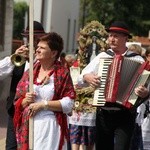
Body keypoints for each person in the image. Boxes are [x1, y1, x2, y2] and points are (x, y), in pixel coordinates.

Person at [78, 21, 149, 150]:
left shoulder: (138, 60)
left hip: (125, 114)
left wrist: (145, 92)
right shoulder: (103, 56)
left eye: (116, 36)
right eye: (110, 35)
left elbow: (147, 89)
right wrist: (87, 77)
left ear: (125, 38)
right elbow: (80, 77)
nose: (111, 39)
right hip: (103, 114)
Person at [13, 32, 76, 150]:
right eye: (37, 47)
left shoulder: (62, 73)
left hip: (50, 127)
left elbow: (69, 103)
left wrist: (43, 105)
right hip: (29, 126)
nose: (37, 50)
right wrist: (25, 100)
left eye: (42, 48)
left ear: (53, 53)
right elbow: (17, 102)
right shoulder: (30, 72)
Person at [5, 21, 46, 150]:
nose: (31, 40)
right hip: (15, 110)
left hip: (35, 112)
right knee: (11, 147)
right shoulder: (19, 57)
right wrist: (13, 58)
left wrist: (35, 58)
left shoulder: (45, 59)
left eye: (36, 37)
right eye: (29, 37)